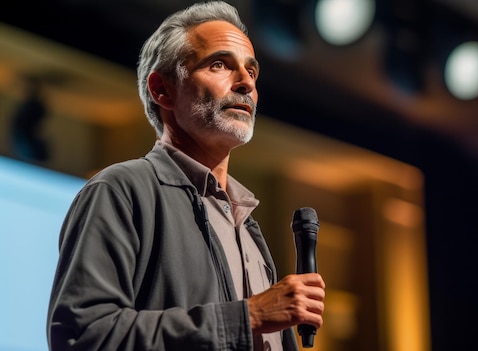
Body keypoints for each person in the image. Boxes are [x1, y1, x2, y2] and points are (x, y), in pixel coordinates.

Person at [46, 1, 326, 350]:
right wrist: (248, 316)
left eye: (252, 72)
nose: (245, 84)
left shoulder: (248, 227)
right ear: (162, 89)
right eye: (220, 64)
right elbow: (84, 335)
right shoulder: (121, 191)